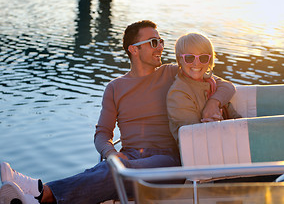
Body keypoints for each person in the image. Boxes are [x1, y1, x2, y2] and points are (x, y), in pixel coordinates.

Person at [0, 20, 236, 204]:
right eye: (154, 42)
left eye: (161, 41)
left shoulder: (173, 72)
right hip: (129, 156)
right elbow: (102, 134)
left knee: (117, 170)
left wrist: (213, 103)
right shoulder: (115, 88)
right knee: (113, 167)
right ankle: (36, 196)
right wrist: (111, 153)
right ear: (134, 49)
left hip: (167, 160)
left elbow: (225, 84)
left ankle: (42, 192)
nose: (161, 47)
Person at [167, 32, 241, 143]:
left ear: (210, 60)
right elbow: (194, 138)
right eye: (190, 57)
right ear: (180, 60)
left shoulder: (208, 80)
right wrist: (215, 125)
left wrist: (213, 103)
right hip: (201, 152)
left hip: (228, 139)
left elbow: (228, 86)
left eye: (203, 57)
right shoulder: (178, 94)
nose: (196, 63)